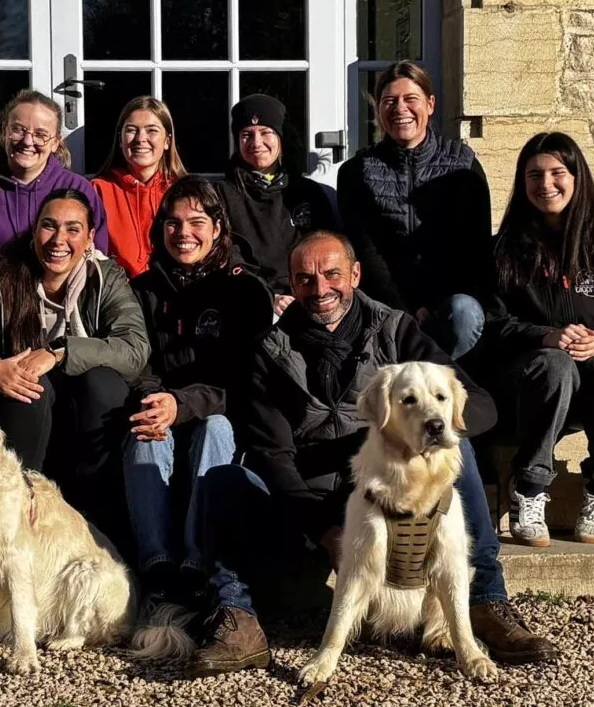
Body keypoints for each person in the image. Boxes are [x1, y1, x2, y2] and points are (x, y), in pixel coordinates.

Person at [190, 231, 558, 676]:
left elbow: (479, 404)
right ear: (290, 283)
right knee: (223, 482)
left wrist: (418, 434)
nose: (320, 290)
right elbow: (273, 456)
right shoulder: (269, 351)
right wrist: (328, 532)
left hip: (391, 494)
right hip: (314, 505)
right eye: (305, 279)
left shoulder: (397, 329)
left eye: (332, 275)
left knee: (454, 450)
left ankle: (487, 602)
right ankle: (238, 621)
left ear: (356, 274)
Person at [126, 176, 273, 618]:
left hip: (221, 412)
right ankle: (157, 567)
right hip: (165, 406)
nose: (183, 233)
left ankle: (196, 564)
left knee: (215, 428)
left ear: (217, 226)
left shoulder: (243, 289)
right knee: (143, 431)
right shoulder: (146, 289)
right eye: (172, 223)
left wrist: (182, 403)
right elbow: (140, 359)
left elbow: (245, 377)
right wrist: (156, 400)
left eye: (195, 222)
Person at [0, 188, 148, 544]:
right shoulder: (0, 277)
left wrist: (60, 352)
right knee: (31, 388)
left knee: (103, 382)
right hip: (26, 417)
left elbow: (134, 348)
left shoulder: (106, 278)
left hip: (85, 418)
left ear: (89, 237)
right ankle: (15, 516)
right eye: (49, 227)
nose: (59, 240)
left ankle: (96, 519)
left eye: (73, 229)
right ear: (35, 231)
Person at [487, 132, 594, 547]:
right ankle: (529, 487)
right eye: (534, 175)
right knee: (556, 362)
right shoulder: (504, 250)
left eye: (557, 173)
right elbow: (492, 323)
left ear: (577, 177)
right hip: (533, 381)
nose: (546, 184)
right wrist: (545, 335)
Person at [338, 60, 492, 360]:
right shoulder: (357, 172)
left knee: (464, 311)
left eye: (411, 99)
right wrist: (407, 309)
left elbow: (476, 248)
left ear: (430, 104)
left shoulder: (463, 164)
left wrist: (432, 306)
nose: (400, 109)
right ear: (379, 110)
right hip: (384, 303)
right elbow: (367, 252)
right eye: (389, 101)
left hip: (450, 306)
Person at [0, 90, 108, 281]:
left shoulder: (77, 188)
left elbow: (95, 257)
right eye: (19, 130)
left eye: (41, 134)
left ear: (56, 142)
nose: (28, 141)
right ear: (5, 132)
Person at [216, 93, 336, 316]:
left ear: (281, 137)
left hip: (310, 298)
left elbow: (330, 249)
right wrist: (267, 296)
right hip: (249, 301)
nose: (256, 143)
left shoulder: (307, 193)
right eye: (246, 134)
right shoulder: (222, 194)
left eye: (266, 132)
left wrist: (309, 291)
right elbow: (225, 254)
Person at [92, 96, 186, 278]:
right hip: (118, 295)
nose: (140, 138)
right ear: (120, 140)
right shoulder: (98, 191)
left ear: (167, 141)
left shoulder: (183, 191)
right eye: (131, 130)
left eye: (151, 130)